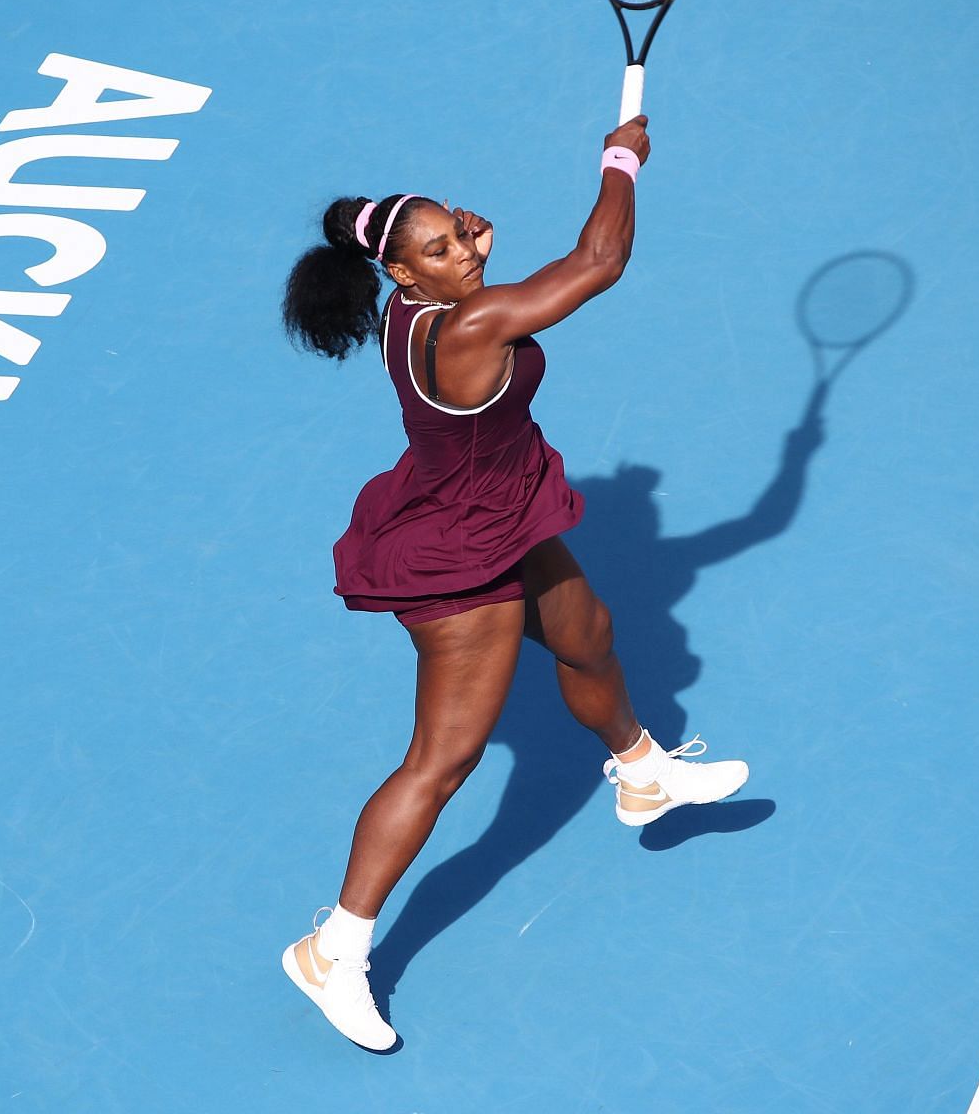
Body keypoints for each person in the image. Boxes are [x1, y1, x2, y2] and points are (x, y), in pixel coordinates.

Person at [276, 116, 750, 1050]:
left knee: (588, 634)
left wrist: (471, 263)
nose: (464, 253)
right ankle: (334, 949)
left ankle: (644, 774)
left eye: (459, 235)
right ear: (404, 276)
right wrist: (621, 162)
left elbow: (482, 287)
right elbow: (600, 259)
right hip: (461, 561)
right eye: (439, 252)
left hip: (494, 510)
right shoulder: (478, 321)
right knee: (440, 763)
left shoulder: (413, 313)